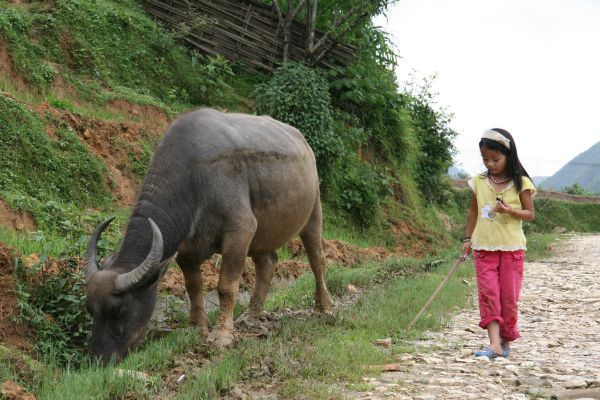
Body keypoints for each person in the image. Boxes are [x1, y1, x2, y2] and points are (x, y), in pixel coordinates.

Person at [462, 128, 536, 359]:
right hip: (483, 248)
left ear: (508, 155)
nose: (490, 164)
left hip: (512, 249)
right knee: (489, 295)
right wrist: (467, 239)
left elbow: (530, 214)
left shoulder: (520, 182)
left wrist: (509, 210)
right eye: (486, 159)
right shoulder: (478, 182)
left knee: (508, 298)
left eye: (496, 159)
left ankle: (504, 342)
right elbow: (473, 213)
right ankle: (494, 345)